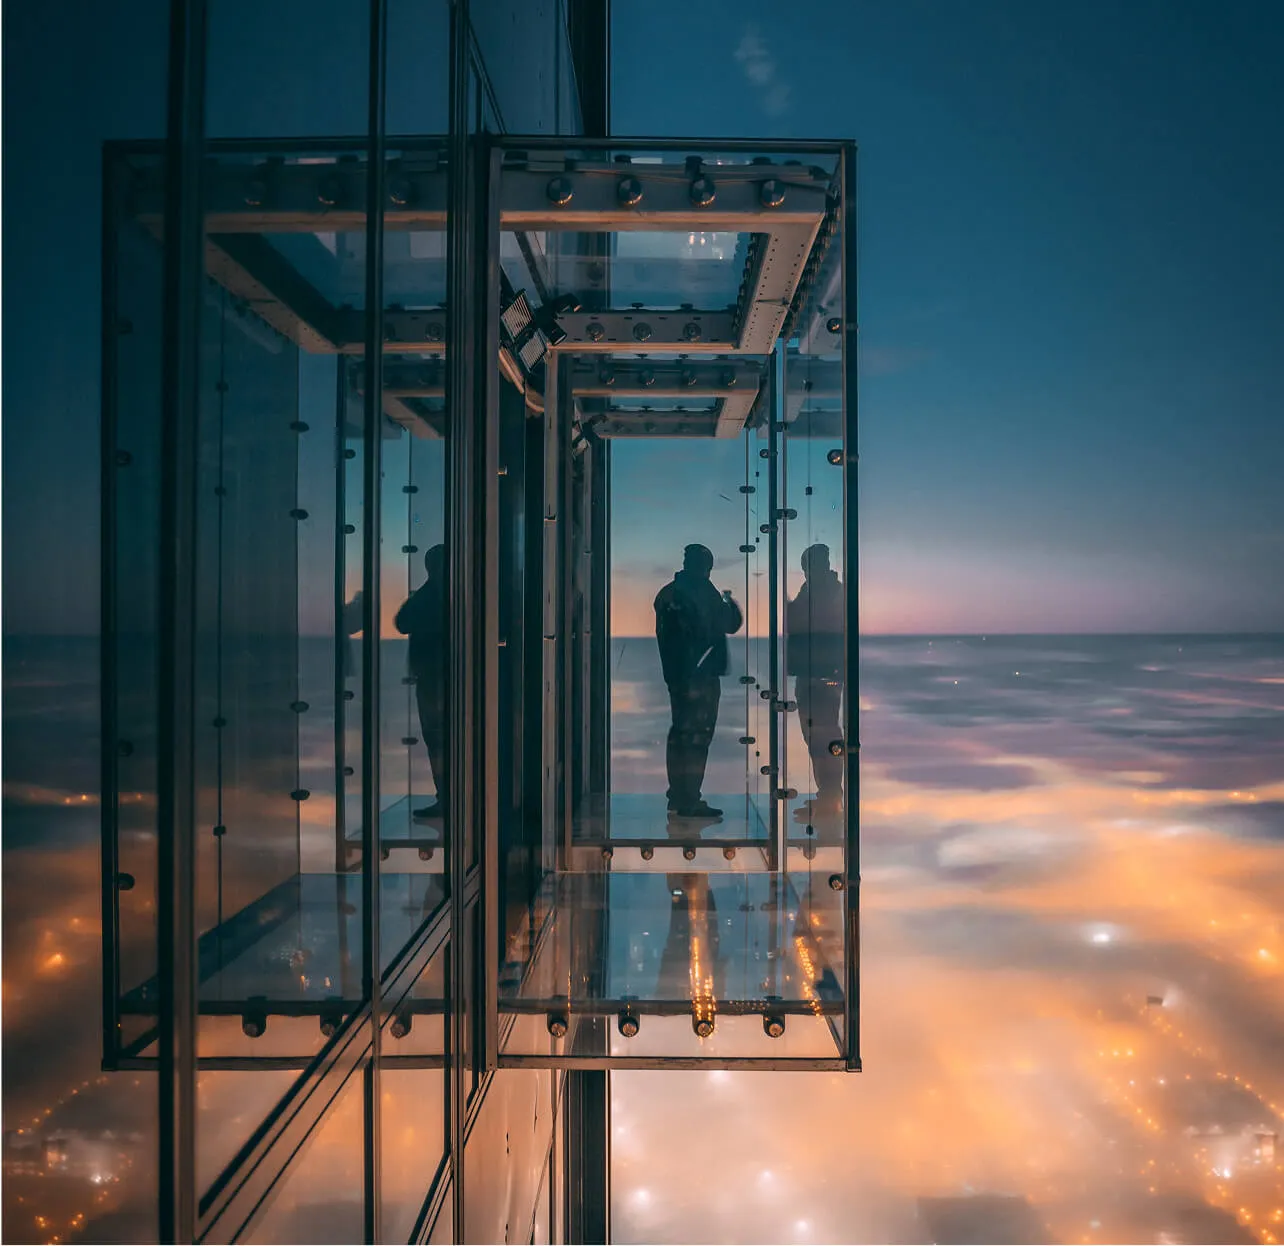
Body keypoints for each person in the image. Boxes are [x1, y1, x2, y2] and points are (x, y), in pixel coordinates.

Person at [654, 544, 743, 819]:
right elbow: (727, 624)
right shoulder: (700, 592)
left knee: (681, 735)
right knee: (696, 737)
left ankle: (680, 795)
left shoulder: (670, 592)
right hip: (698, 676)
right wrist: (729, 604)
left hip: (680, 676)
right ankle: (688, 799)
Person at [786, 543, 845, 815]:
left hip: (823, 673)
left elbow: (814, 625)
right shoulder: (813, 591)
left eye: (813, 564)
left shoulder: (831, 592)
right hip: (812, 671)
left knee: (824, 734)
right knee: (815, 736)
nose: (809, 570)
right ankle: (827, 795)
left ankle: (831, 797)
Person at [395, 544, 449, 821]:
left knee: (438, 738)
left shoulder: (431, 595)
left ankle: (448, 798)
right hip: (441, 678)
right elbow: (402, 623)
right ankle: (452, 796)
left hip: (434, 679)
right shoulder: (456, 593)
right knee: (440, 738)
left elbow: (402, 622)